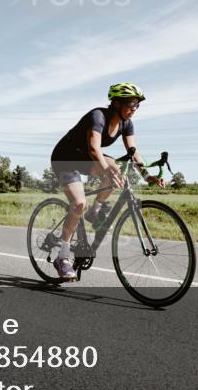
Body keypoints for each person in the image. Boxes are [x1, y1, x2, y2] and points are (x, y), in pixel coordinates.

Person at [49, 82, 163, 279]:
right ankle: (63, 257)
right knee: (78, 204)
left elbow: (133, 153)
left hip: (85, 158)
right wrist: (106, 171)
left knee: (117, 168)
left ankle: (95, 210)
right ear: (116, 103)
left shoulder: (126, 123)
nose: (134, 109)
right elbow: (94, 149)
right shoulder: (98, 116)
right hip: (65, 159)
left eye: (137, 105)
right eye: (130, 104)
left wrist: (146, 176)